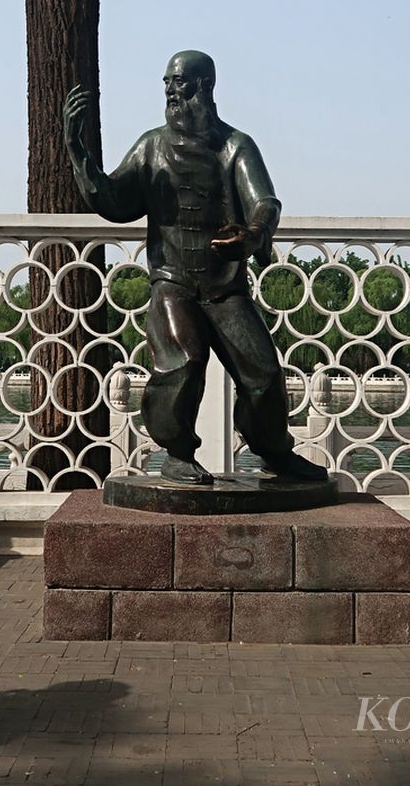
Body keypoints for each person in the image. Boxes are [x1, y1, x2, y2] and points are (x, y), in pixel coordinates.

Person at [63, 49, 326, 486]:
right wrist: (77, 149)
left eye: (179, 82)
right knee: (183, 360)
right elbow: (113, 201)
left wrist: (254, 234)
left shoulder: (235, 146)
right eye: (166, 82)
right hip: (174, 282)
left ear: (204, 86)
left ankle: (275, 452)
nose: (170, 90)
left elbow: (264, 202)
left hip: (225, 288)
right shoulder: (152, 146)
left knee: (263, 373)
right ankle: (177, 453)